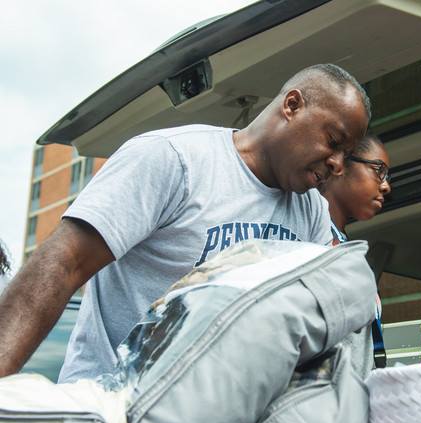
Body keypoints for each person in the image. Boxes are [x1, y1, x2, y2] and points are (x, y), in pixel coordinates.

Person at [0, 64, 370, 383]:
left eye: (347, 154)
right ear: (292, 105)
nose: (338, 164)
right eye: (333, 141)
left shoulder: (312, 213)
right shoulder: (174, 160)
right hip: (109, 415)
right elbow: (66, 262)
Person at [319, 133, 392, 367]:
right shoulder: (312, 245)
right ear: (340, 164)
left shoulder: (345, 246)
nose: (386, 185)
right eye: (378, 170)